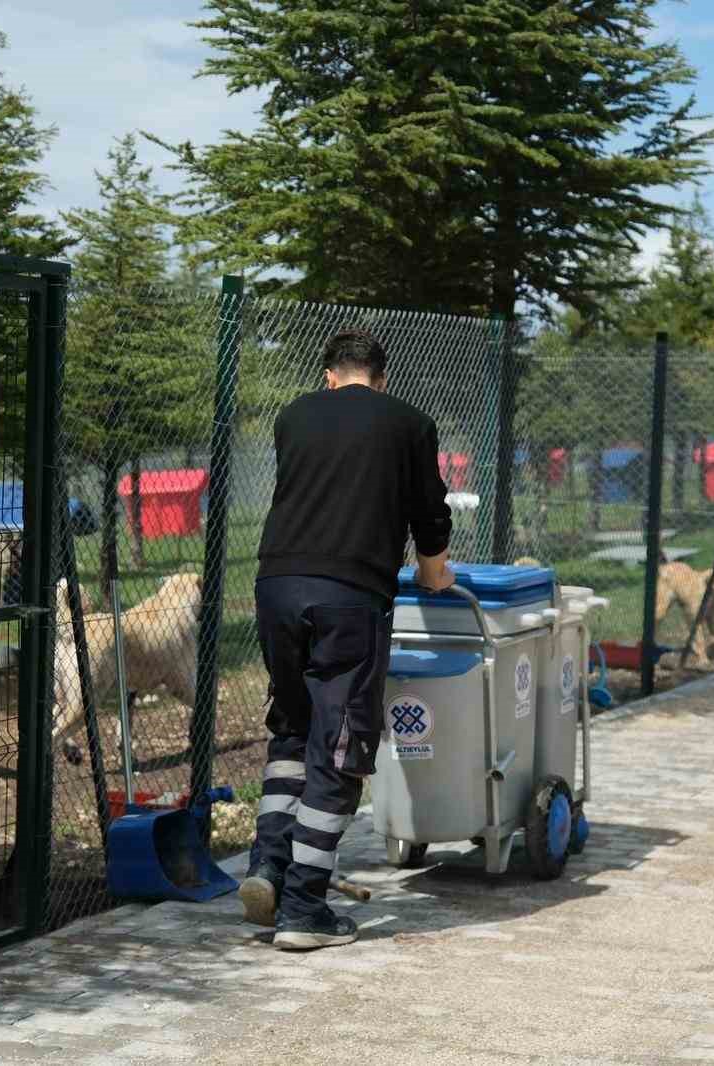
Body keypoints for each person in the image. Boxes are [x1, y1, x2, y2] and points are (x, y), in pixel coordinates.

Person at [242, 328, 455, 950]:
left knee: (293, 726)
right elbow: (429, 512)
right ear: (380, 378)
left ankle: (268, 870)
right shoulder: (409, 422)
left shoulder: (293, 415)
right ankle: (306, 909)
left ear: (329, 375)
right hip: (349, 597)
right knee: (341, 745)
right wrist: (434, 568)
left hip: (276, 586)